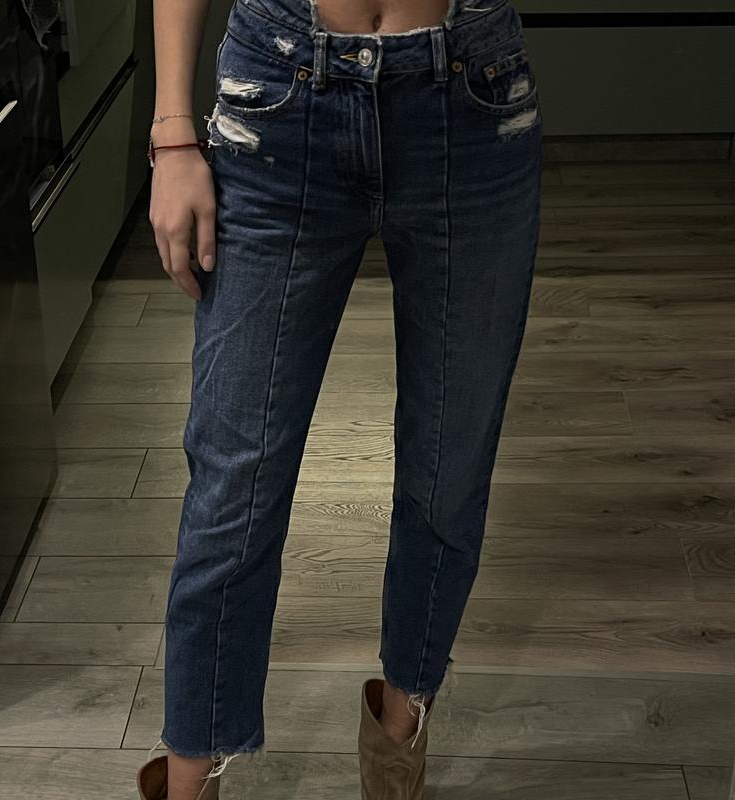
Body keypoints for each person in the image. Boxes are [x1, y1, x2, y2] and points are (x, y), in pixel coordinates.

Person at [139, 0, 542, 798]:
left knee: (449, 470)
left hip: (471, 95)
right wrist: (173, 131)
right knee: (233, 484)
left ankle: (398, 739)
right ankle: (189, 783)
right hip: (279, 99)